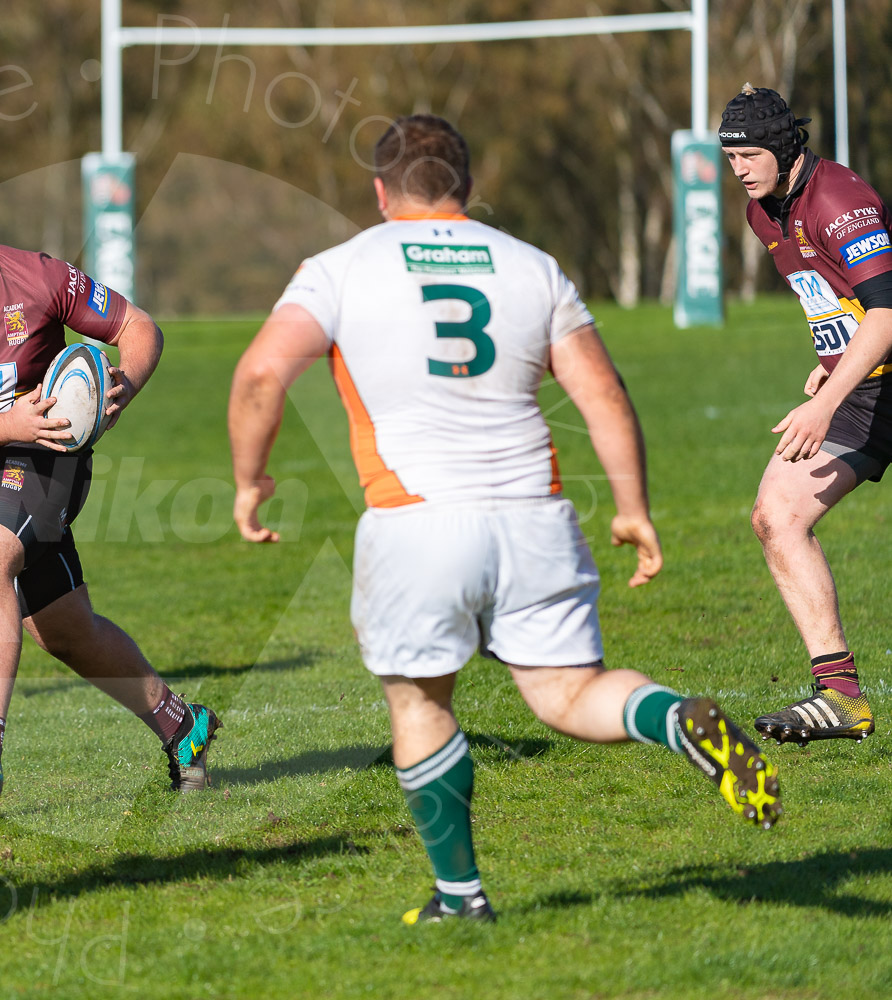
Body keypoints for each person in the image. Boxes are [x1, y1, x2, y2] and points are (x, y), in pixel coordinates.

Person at [228, 114, 782, 925]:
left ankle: (461, 896)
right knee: (567, 694)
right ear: (469, 188)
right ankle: (675, 717)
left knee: (420, 705)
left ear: (381, 193)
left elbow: (261, 375)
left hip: (416, 520)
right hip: (535, 517)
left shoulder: (339, 268)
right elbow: (601, 393)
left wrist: (250, 480)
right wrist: (632, 509)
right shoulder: (532, 267)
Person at [0, 177, 219, 801]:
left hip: (47, 450)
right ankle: (181, 724)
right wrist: (8, 421)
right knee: (62, 629)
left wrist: (124, 388)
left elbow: (140, 328)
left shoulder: (42, 277)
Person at [718, 84, 892, 744]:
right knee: (776, 516)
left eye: (748, 155)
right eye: (730, 157)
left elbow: (886, 311)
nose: (738, 169)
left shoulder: (839, 200)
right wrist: (832, 362)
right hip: (868, 387)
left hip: (869, 380)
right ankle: (841, 697)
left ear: (784, 147)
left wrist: (824, 401)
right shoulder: (764, 213)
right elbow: (841, 301)